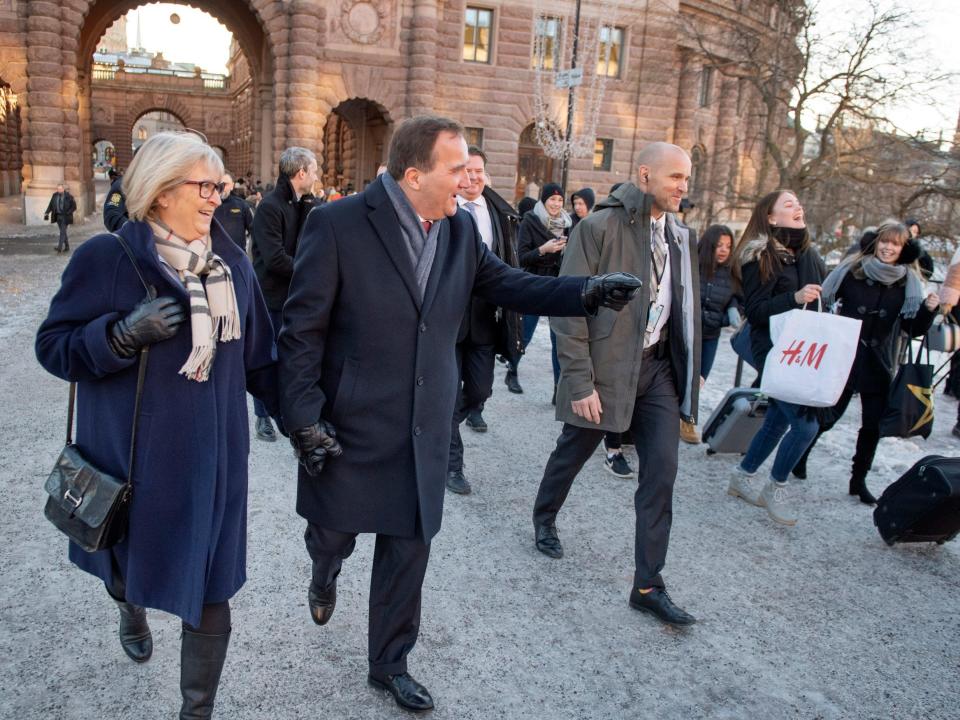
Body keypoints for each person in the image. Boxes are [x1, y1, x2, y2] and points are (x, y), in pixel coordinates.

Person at [277, 115, 640, 713]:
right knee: (335, 531)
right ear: (414, 174)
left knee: (408, 547)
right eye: (456, 169)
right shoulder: (337, 224)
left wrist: (586, 292)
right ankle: (324, 566)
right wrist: (304, 418)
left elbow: (510, 284)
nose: (468, 179)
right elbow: (300, 331)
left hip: (425, 421)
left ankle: (388, 663)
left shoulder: (459, 232)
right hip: (351, 422)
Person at [35, 131, 279, 718]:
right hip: (133, 468)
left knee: (213, 592)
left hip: (214, 468)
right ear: (161, 190)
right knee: (126, 573)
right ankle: (128, 604)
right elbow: (53, 347)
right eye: (205, 186)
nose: (217, 198)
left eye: (218, 186)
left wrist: (307, 422)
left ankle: (195, 711)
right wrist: (116, 336)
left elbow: (263, 362)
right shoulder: (107, 259)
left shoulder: (233, 266)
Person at [532, 142, 702, 627]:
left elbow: (682, 310)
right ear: (645, 175)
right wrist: (580, 381)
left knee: (661, 474)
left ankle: (648, 585)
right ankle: (544, 516)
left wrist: (688, 367)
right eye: (674, 177)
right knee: (574, 451)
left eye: (687, 178)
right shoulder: (598, 227)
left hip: (658, 371)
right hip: (606, 369)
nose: (682, 186)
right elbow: (568, 308)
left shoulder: (680, 236)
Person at [799, 222, 937, 503]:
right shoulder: (852, 271)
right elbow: (824, 306)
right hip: (846, 356)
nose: (888, 248)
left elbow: (913, 329)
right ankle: (799, 457)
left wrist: (928, 310)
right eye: (884, 242)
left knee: (872, 426)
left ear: (904, 249)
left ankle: (858, 480)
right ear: (875, 243)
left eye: (895, 244)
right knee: (827, 416)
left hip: (879, 362)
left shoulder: (907, 284)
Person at [726, 190, 825, 526]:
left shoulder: (807, 253)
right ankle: (775, 485)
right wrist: (795, 298)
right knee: (806, 424)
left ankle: (742, 475)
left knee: (778, 420)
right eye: (788, 204)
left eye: (799, 202)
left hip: (801, 350)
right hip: (772, 349)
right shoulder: (759, 255)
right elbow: (754, 312)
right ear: (770, 218)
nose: (798, 206)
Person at [446, 145, 523, 495]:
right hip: (446, 321)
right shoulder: (444, 209)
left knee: (480, 389)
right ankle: (452, 465)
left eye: (478, 171)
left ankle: (439, 424)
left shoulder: (499, 213)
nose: (473, 177)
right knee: (447, 396)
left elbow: (510, 266)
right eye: (467, 171)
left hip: (485, 319)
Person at [250, 146, 318, 441]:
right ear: (301, 173)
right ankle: (263, 417)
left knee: (292, 358)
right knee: (267, 357)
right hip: (270, 298)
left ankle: (288, 414)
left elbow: (308, 245)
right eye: (314, 171)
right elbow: (275, 258)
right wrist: (311, 273)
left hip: (294, 296)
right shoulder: (270, 206)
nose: (316, 176)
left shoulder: (305, 204)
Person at [509, 183, 571, 398]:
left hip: (557, 283)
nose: (556, 204)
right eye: (552, 200)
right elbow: (522, 256)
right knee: (525, 332)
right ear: (543, 201)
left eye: (560, 200)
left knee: (558, 338)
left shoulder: (567, 224)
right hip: (534, 282)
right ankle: (512, 371)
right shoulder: (530, 221)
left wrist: (565, 250)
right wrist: (543, 250)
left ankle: (557, 388)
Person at [213, 172, 254, 250]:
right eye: (220, 184)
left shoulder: (242, 205)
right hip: (214, 257)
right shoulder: (209, 205)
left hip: (237, 257)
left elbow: (254, 231)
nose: (223, 187)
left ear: (232, 185)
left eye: (226, 184)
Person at [44, 183, 77, 253]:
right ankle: (67, 246)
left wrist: (68, 212)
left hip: (65, 217)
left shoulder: (69, 196)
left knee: (62, 232)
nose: (59, 190)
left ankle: (59, 247)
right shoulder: (55, 195)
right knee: (63, 232)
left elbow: (74, 207)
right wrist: (47, 212)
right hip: (58, 216)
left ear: (63, 189)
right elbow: (50, 205)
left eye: (60, 189)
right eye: (58, 189)